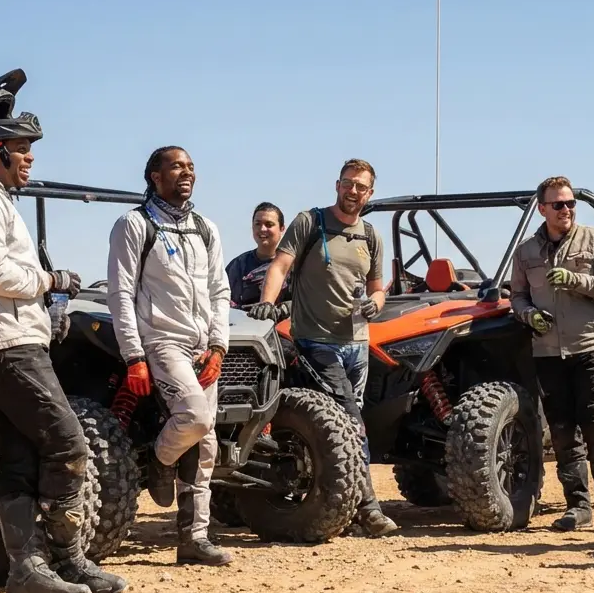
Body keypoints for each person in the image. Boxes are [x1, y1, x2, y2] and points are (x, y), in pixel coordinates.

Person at [0, 68, 127, 593]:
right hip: (4, 342)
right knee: (67, 442)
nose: (30, 157)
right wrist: (52, 281)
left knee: (21, 457)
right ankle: (63, 560)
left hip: (11, 336)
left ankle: (32, 569)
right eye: (21, 147)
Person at [248, 158, 398, 538]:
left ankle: (342, 505)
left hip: (358, 344)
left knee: (345, 427)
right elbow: (280, 266)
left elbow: (379, 287)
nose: (353, 191)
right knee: (350, 422)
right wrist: (268, 302)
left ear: (370, 193)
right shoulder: (310, 222)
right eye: (348, 183)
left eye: (361, 186)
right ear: (337, 185)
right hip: (315, 340)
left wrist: (376, 304)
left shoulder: (371, 235)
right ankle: (369, 509)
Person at [107, 145, 234, 566]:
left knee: (207, 439)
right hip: (162, 342)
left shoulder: (205, 228)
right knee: (195, 418)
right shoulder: (134, 224)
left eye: (191, 167)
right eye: (176, 166)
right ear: (154, 177)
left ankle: (194, 539)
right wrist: (133, 356)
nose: (187, 172)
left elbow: (220, 291)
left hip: (203, 347)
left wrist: (218, 345)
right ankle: (160, 462)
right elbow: (121, 294)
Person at [509, 176, 594, 534]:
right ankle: (578, 506)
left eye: (571, 203)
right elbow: (517, 295)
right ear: (542, 208)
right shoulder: (527, 250)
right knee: (561, 431)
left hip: (589, 348)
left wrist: (577, 280)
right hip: (547, 352)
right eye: (558, 204)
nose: (566, 210)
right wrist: (528, 314)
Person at [226, 202, 290, 309]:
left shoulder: (294, 266)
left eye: (269, 224)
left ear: (282, 228)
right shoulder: (238, 265)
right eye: (258, 224)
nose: (262, 229)